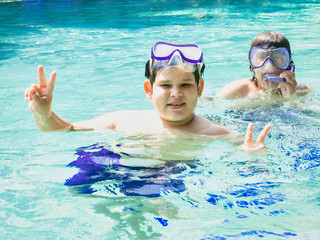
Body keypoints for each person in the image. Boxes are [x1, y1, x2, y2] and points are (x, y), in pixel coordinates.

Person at [25, 41, 270, 150]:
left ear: (199, 89)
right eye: (165, 85)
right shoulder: (123, 120)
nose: (176, 94)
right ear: (149, 90)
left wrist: (251, 155)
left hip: (174, 181)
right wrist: (44, 114)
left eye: (186, 84)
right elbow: (64, 131)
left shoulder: (217, 132)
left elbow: (248, 151)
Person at [215, 31, 311, 99]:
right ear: (252, 65)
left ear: (289, 65)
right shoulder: (237, 91)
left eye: (278, 57)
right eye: (261, 56)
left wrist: (292, 98)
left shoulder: (303, 92)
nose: (269, 65)